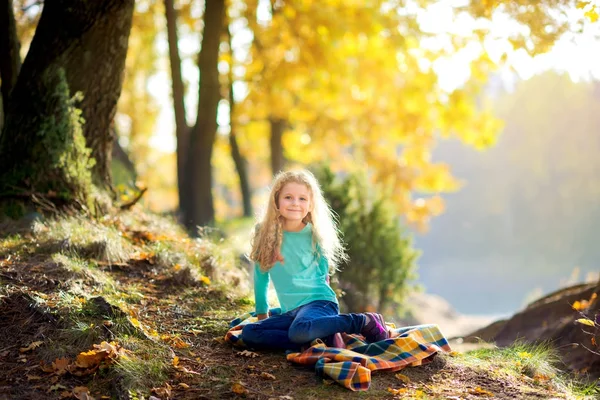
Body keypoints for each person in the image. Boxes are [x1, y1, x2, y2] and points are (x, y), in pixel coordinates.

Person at [240, 169, 390, 351]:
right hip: (290, 312)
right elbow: (260, 277)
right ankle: (316, 338)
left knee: (299, 331)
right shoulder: (263, 232)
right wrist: (263, 317)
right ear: (276, 201)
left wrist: (317, 316)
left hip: (319, 303)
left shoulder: (315, 234)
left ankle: (362, 321)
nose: (295, 203)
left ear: (311, 204)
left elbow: (323, 276)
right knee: (250, 333)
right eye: (288, 197)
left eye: (302, 198)